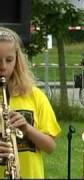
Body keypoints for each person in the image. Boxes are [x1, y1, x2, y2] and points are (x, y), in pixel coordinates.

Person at [0, 27, 61, 178]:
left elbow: (50, 147)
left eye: (9, 60)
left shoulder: (34, 95)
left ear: (17, 60)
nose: (3, 67)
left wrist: (27, 128)